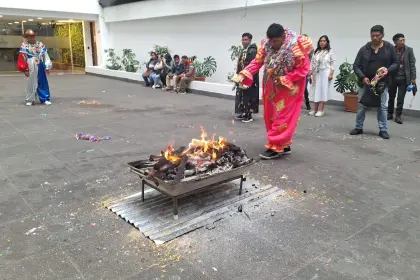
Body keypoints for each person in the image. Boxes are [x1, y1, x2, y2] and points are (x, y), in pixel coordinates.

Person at [232, 23, 312, 160]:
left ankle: (275, 146)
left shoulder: (295, 47)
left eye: (275, 41)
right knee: (270, 115)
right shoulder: (266, 46)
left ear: (283, 37)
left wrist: (287, 78)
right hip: (270, 86)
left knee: (282, 116)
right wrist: (244, 73)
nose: (273, 44)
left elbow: (304, 69)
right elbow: (257, 62)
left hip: (288, 89)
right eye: (271, 41)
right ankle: (283, 144)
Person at [350, 25, 398, 139]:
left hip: (382, 83)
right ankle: (358, 127)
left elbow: (396, 63)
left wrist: (387, 70)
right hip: (365, 82)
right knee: (362, 105)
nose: (375, 38)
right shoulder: (364, 49)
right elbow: (356, 65)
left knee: (382, 106)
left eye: (377, 35)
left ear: (382, 35)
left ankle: (383, 129)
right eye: (373, 36)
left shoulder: (389, 48)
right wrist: (362, 77)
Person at [17, 29, 52, 106]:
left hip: (40, 64)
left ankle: (45, 98)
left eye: (33, 36)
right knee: (31, 82)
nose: (31, 38)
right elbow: (22, 58)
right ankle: (30, 99)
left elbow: (45, 55)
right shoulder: (24, 45)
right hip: (30, 65)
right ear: (27, 38)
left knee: (42, 82)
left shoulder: (40, 44)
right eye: (29, 37)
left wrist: (47, 66)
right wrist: (25, 69)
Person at [388, 33, 416, 124]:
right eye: (401, 40)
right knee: (391, 97)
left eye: (404, 40)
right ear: (395, 42)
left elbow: (412, 65)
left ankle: (398, 116)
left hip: (403, 78)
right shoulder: (391, 50)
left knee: (400, 98)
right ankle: (389, 113)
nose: (403, 42)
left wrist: (413, 78)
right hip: (392, 78)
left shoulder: (409, 50)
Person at [234, 32, 259, 123]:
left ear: (250, 40)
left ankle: (249, 115)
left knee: (248, 96)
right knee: (242, 95)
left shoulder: (252, 50)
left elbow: (251, 65)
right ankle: (244, 112)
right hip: (242, 77)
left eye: (246, 40)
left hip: (249, 77)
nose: (244, 41)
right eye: (243, 39)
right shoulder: (244, 50)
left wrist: (246, 75)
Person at [308, 35, 336, 117]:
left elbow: (333, 63)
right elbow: (312, 64)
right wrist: (309, 74)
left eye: (324, 41)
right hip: (316, 73)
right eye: (321, 41)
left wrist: (331, 73)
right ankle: (315, 109)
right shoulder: (316, 51)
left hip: (325, 73)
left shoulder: (330, 51)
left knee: (323, 91)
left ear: (327, 42)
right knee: (315, 90)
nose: (322, 42)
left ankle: (321, 110)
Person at [302, 34, 313, 111]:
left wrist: (309, 73)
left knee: (304, 88)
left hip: (305, 71)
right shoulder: (297, 48)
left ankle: (307, 103)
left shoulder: (310, 50)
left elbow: (311, 62)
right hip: (298, 71)